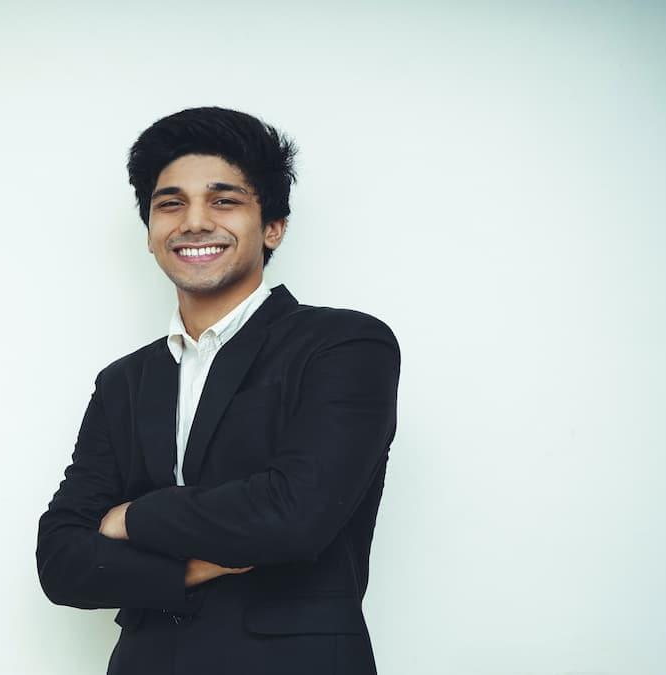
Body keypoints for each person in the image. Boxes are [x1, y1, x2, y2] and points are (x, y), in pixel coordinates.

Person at [36, 106, 400, 675]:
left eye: (224, 200)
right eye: (170, 204)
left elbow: (295, 514)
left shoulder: (344, 345)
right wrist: (188, 569)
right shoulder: (123, 382)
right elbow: (61, 561)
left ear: (273, 226)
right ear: (152, 232)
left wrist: (129, 519)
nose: (194, 222)